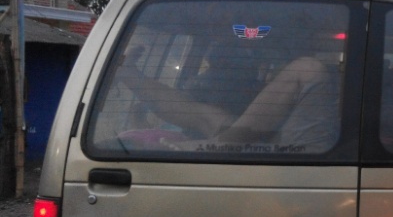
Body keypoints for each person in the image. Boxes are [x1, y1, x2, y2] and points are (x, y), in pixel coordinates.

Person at [117, 45, 340, 151]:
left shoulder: (327, 99)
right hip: (272, 142)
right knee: (210, 116)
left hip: (304, 155)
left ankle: (216, 146)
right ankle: (127, 73)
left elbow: (307, 70)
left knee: (308, 68)